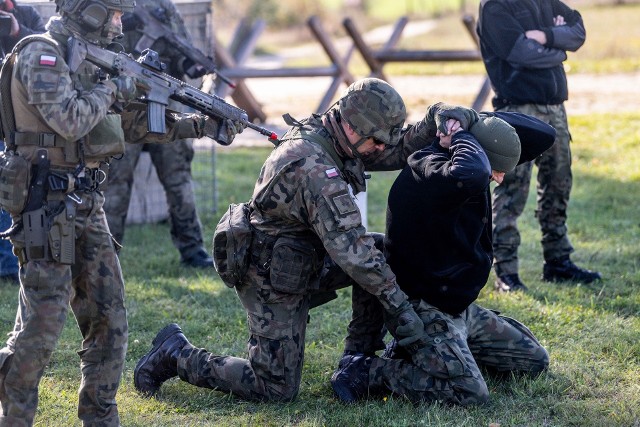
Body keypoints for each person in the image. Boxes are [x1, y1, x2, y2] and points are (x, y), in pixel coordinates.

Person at [133, 79, 487, 402]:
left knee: (380, 250)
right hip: (271, 275)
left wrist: (435, 118)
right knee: (273, 389)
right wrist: (402, 311)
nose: (379, 147)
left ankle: (357, 358)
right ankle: (175, 353)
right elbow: (355, 255)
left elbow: (393, 150)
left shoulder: (336, 132)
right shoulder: (314, 170)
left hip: (307, 255)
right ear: (352, 126)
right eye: (375, 139)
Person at [0, 0, 242, 424]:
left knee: (110, 322)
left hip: (88, 205)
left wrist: (198, 124)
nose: (120, 21)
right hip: (46, 206)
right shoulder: (41, 54)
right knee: (41, 328)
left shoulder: (98, 60)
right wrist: (117, 86)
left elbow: (130, 125)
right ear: (86, 10)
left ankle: (100, 417)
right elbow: (70, 120)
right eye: (112, 12)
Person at [330, 113, 551, 405]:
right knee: (470, 393)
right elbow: (471, 171)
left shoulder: (465, 165)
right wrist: (463, 137)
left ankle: (434, 353)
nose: (499, 178)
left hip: (458, 308)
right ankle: (367, 370)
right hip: (424, 309)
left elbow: (543, 132)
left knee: (533, 360)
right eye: (496, 168)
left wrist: (470, 121)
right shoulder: (432, 170)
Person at [476, 0, 601, 292]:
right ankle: (506, 273)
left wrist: (544, 37)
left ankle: (558, 263)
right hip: (517, 111)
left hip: (555, 108)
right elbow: (521, 53)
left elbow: (578, 32)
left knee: (559, 184)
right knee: (511, 191)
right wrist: (560, 51)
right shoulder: (495, 7)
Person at [103, 0, 217, 268]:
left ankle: (192, 249)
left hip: (165, 101)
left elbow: (179, 43)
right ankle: (106, 255)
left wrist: (190, 65)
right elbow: (98, 49)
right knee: (116, 183)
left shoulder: (163, 5)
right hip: (124, 103)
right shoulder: (108, 5)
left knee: (178, 179)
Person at [0, 0, 45, 285]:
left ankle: (8, 266)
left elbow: (48, 51)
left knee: (14, 194)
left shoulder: (25, 14)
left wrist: (16, 31)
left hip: (18, 123)